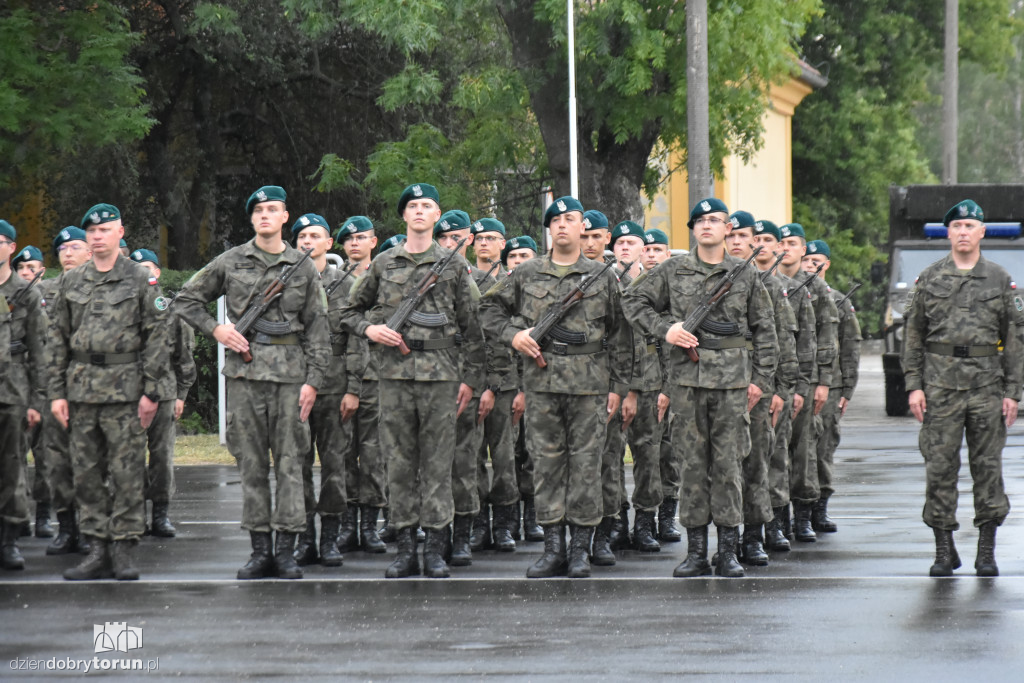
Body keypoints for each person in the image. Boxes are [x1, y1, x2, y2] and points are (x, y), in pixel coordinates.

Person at [175, 186, 330, 580]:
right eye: (258, 210)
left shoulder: (303, 266)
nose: (265, 215)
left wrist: (313, 380)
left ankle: (288, 550)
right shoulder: (231, 261)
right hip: (244, 377)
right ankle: (260, 550)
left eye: (272, 209)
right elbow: (185, 299)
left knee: (293, 464)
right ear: (252, 219)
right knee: (252, 466)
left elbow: (317, 328)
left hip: (291, 379)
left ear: (284, 217)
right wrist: (217, 330)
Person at [623, 198, 777, 578]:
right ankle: (695, 552)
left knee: (728, 467)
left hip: (731, 386)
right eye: (701, 220)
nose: (707, 225)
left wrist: (760, 380)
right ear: (692, 228)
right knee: (691, 467)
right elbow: (632, 301)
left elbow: (766, 330)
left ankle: (727, 551)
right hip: (687, 385)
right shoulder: (673, 270)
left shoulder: (745, 274)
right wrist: (667, 330)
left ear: (728, 228)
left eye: (715, 220)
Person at [480, 196, 631, 579]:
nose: (563, 225)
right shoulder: (527, 273)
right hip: (542, 384)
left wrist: (618, 386)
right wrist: (514, 336)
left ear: (584, 227)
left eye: (570, 219)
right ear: (549, 229)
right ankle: (553, 549)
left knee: (586, 466)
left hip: (590, 386)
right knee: (546, 465)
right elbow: (487, 310)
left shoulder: (602, 275)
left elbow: (621, 334)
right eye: (556, 220)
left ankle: (580, 550)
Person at [340, 183, 485, 579]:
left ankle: (436, 547)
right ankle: (405, 547)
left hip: (441, 377)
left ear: (437, 216)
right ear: (404, 216)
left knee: (439, 463)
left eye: (427, 206)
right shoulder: (384, 263)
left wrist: (470, 380)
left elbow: (473, 330)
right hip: (394, 377)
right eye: (413, 206)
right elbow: (349, 312)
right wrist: (371, 330)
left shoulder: (454, 266)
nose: (419, 211)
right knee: (399, 464)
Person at [48, 204, 170, 580]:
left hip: (126, 392)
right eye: (92, 231)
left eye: (105, 230)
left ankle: (124, 549)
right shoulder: (71, 281)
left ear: (120, 232)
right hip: (82, 391)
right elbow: (56, 339)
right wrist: (56, 393)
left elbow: (158, 338)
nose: (97, 236)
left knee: (127, 473)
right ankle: (97, 546)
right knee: (86, 474)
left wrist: (152, 392)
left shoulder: (139, 279)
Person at [902, 199, 1021, 577]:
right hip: (940, 386)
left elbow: (1014, 338)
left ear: (982, 232)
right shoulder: (930, 279)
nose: (964, 232)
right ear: (948, 232)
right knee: (940, 468)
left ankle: (986, 550)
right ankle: (943, 549)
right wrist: (914, 386)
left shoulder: (1000, 279)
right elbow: (914, 336)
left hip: (987, 386)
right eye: (957, 226)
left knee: (987, 468)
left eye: (971, 226)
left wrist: (1013, 392)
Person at [726, 212, 798, 565]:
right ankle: (725, 540)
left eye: (744, 236)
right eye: (732, 235)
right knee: (722, 466)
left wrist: (779, 391)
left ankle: (753, 535)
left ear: (755, 241)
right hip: (719, 385)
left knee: (756, 463)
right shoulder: (710, 280)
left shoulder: (768, 284)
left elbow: (783, 342)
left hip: (758, 388)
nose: (737, 242)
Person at [433, 209, 490, 563]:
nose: (453, 244)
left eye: (458, 238)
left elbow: (481, 339)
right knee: (432, 463)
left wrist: (482, 384)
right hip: (432, 378)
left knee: (465, 463)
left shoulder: (472, 279)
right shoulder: (430, 275)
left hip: (463, 380)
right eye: (447, 239)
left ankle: (465, 534)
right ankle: (436, 532)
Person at [128, 249, 197, 539]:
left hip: (165, 393)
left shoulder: (170, 310)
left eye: (148, 267)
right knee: (128, 456)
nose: (143, 273)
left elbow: (184, 357)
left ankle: (160, 514)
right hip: (128, 392)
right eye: (137, 268)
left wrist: (181, 395)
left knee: (161, 457)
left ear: (157, 273)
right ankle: (133, 515)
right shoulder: (122, 310)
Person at [753, 219, 812, 552]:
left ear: (778, 247)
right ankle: (749, 529)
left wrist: (790, 390)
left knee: (777, 458)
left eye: (766, 239)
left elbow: (798, 346)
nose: (760, 244)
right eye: (754, 238)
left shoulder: (789, 289)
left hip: (775, 388)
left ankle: (776, 523)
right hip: (740, 386)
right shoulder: (738, 284)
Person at [777, 223, 838, 543]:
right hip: (775, 381)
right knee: (774, 455)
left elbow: (823, 341)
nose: (785, 248)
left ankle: (803, 514)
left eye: (792, 243)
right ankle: (778, 517)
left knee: (804, 453)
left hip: (805, 380)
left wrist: (822, 383)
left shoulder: (813, 288)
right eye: (781, 242)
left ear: (803, 250)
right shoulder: (769, 283)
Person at [801, 240, 862, 533]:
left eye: (817, 261)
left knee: (824, 449)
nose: (811, 266)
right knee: (799, 450)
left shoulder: (839, 300)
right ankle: (796, 509)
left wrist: (847, 389)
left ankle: (820, 507)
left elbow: (850, 346)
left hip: (831, 386)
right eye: (807, 260)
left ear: (827, 265)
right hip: (800, 381)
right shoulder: (794, 295)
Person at [468, 217, 520, 555]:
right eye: (480, 238)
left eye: (492, 238)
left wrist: (520, 389)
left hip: (507, 385)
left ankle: (503, 526)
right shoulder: (462, 279)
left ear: (503, 244)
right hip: (470, 384)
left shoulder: (517, 283)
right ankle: (475, 525)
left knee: (505, 459)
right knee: (469, 459)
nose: (485, 243)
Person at [335, 216, 387, 551]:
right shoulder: (331, 283)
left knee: (373, 455)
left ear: (374, 242)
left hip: (379, 377)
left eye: (361, 237)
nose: (355, 243)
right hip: (340, 378)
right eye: (349, 239)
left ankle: (369, 526)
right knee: (342, 453)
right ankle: (345, 525)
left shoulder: (386, 279)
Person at [41, 227, 92, 556]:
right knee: (57, 462)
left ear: (89, 251)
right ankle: (66, 526)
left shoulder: (101, 286)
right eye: (62, 249)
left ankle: (90, 528)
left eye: (75, 247)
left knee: (91, 461)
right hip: (54, 387)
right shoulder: (42, 292)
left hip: (92, 387)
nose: (68, 253)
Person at [0, 221, 47, 569]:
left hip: (12, 389)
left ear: (11, 248)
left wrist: (36, 401)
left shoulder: (25, 292)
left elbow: (39, 351)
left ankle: (9, 538)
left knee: (12, 465)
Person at [499, 235, 543, 542]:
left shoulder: (540, 296)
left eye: (524, 255)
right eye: (512, 256)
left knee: (532, 455)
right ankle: (507, 521)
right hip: (503, 387)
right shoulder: (499, 299)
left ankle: (532, 518)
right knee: (506, 457)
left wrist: (526, 391)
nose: (517, 260)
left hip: (535, 388)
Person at [11, 245, 52, 538]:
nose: (27, 272)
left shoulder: (50, 296)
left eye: (32, 267)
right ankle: (19, 516)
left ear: (42, 270)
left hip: (45, 386)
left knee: (46, 456)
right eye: (22, 268)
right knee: (14, 456)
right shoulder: (10, 298)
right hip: (15, 387)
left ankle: (44, 517)